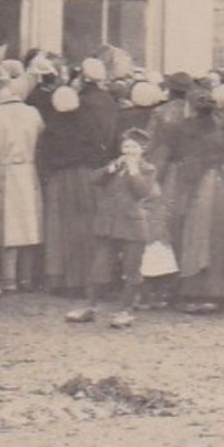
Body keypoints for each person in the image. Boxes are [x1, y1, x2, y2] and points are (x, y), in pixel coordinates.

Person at [155, 85, 224, 310]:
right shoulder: (220, 126)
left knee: (192, 233)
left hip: (193, 183)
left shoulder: (180, 129)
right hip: (217, 183)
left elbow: (167, 157)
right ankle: (218, 291)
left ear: (189, 108)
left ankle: (192, 291)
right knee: (216, 235)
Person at [72, 128, 163, 327]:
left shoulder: (148, 169)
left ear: (143, 149)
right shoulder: (114, 166)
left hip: (132, 226)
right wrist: (110, 169)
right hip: (109, 225)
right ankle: (90, 307)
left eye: (133, 146)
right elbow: (93, 179)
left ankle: (126, 310)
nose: (128, 150)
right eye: (126, 146)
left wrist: (133, 171)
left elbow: (142, 191)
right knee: (99, 267)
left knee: (131, 270)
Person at [0, 73, 45, 293]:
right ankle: (25, 277)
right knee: (27, 225)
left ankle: (8, 278)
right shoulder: (33, 113)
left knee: (6, 226)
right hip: (27, 169)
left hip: (2, 170)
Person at [39, 86, 100, 296]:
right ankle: (86, 278)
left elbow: (43, 156)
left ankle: (60, 279)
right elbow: (96, 151)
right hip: (84, 178)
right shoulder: (87, 122)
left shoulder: (51, 126)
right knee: (84, 227)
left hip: (59, 180)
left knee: (59, 229)